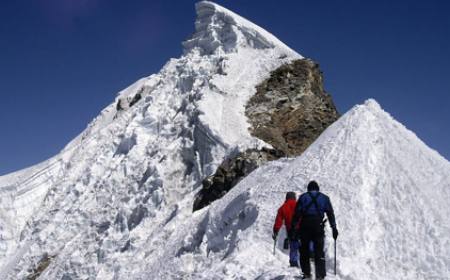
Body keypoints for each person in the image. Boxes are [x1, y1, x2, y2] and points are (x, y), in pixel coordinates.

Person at [290, 181, 338, 280]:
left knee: (304, 250)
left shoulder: (303, 197)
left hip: (305, 226)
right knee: (319, 251)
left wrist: (293, 228)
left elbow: (297, 214)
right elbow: (330, 213)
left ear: (308, 189)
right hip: (318, 226)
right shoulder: (324, 198)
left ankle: (307, 273)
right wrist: (334, 228)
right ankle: (320, 275)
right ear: (317, 188)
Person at [272, 191, 299, 267]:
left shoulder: (283, 207)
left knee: (293, 246)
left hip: (291, 229)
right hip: (301, 228)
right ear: (294, 197)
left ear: (287, 198)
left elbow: (278, 220)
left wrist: (276, 230)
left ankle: (293, 263)